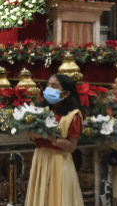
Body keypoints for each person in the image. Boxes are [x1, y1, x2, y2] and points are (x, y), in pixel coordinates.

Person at [24, 74, 84, 206]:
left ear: (66, 93)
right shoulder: (41, 111)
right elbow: (37, 142)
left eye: (54, 86)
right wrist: (32, 136)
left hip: (59, 161)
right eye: (48, 85)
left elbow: (71, 147)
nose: (49, 89)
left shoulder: (72, 115)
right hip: (40, 159)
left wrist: (49, 137)